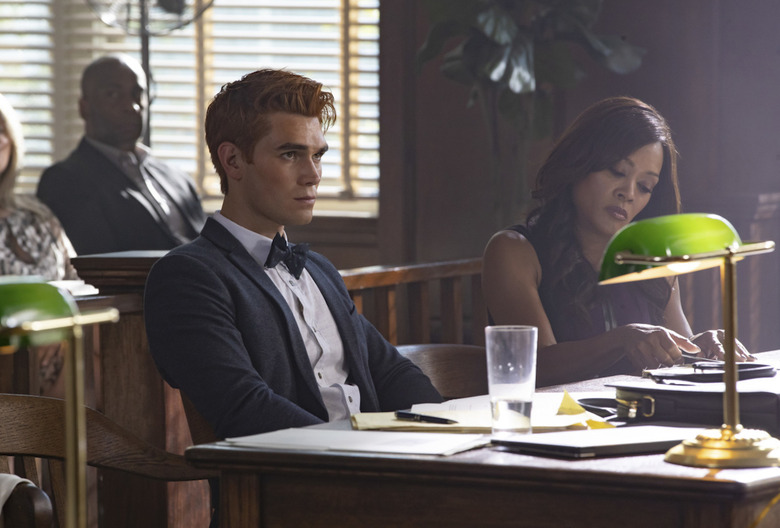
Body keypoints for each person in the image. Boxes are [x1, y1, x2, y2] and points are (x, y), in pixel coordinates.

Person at [144, 68, 442, 441]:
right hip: (296, 470)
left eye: (318, 155)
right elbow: (244, 408)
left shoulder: (319, 270)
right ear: (233, 161)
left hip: (381, 458)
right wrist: (360, 448)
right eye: (290, 154)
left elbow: (392, 372)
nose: (313, 174)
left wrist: (448, 431)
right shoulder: (187, 277)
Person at [482, 96, 752, 388]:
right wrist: (620, 340)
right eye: (617, 172)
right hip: (555, 415)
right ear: (579, 161)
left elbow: (678, 355)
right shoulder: (514, 250)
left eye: (645, 186)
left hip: (639, 413)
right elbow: (536, 367)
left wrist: (702, 346)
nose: (628, 193)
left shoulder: (652, 257)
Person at [36, 53, 206, 255]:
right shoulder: (64, 181)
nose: (131, 106)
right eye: (113, 94)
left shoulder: (178, 178)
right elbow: (95, 262)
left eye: (137, 93)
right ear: (84, 108)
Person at [0, 92, 78, 397]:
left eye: (2, 129)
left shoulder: (37, 216)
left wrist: (56, 327)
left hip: (61, 351)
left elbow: (78, 283)